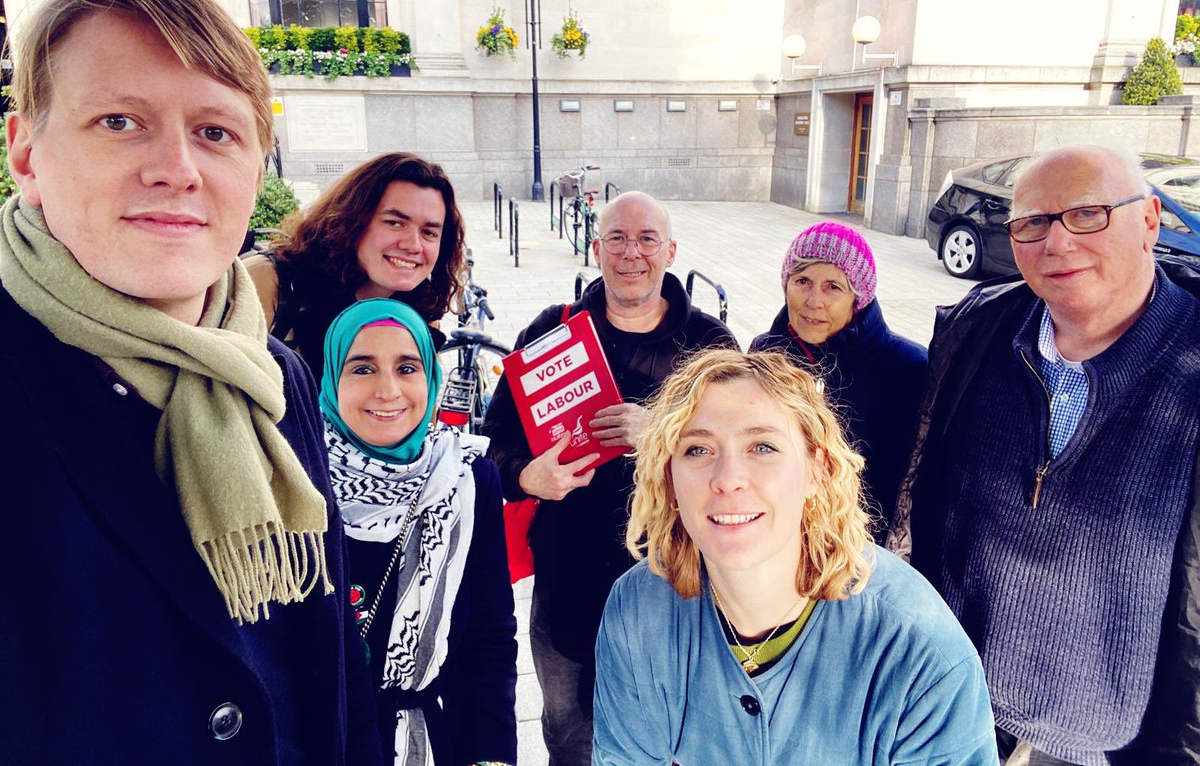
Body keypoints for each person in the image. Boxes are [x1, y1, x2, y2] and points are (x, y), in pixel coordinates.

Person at [0, 0, 380, 764]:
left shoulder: (274, 374)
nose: (178, 168)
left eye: (215, 132)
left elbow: (332, 667)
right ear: (26, 155)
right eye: (119, 121)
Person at [888, 144, 1200, 765]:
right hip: (957, 698)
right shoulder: (977, 334)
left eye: (1087, 214)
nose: (1055, 244)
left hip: (1106, 743)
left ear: (1149, 220)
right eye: (1031, 223)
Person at [593, 349, 996, 763]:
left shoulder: (920, 653)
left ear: (816, 471)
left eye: (762, 446)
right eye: (697, 449)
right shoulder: (638, 609)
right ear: (669, 477)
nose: (728, 479)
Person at [482, 191, 735, 764]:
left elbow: (743, 461)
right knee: (569, 738)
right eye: (617, 238)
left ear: (670, 251)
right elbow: (493, 444)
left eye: (647, 240)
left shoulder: (710, 345)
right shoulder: (552, 332)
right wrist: (527, 476)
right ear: (596, 249)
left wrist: (667, 438)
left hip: (676, 587)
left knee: (671, 739)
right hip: (567, 585)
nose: (631, 253)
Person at [320, 299, 517, 766]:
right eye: (362, 368)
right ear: (331, 378)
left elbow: (488, 640)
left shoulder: (465, 479)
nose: (388, 390)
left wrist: (490, 759)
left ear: (430, 377)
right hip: (323, 740)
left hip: (429, 743)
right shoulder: (296, 482)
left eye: (407, 367)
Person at [750, 221, 926, 538]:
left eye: (833, 287)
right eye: (802, 281)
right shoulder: (765, 355)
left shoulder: (907, 369)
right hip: (775, 537)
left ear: (857, 299)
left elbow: (907, 488)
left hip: (859, 548)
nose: (814, 301)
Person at [244, 152, 468, 380]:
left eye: (429, 232)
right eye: (394, 223)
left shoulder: (419, 314)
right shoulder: (267, 282)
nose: (413, 245)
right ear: (352, 220)